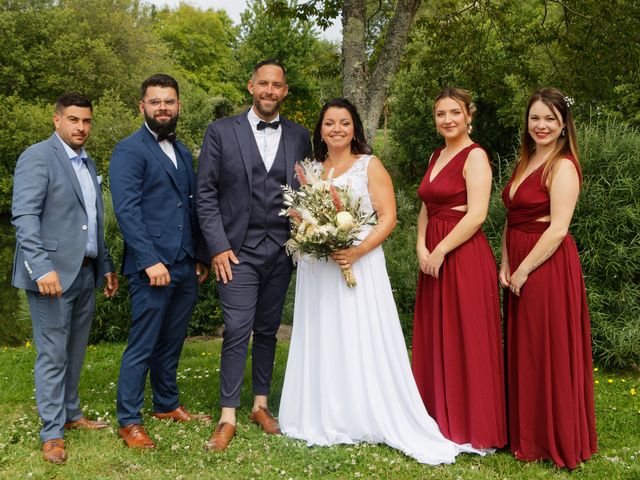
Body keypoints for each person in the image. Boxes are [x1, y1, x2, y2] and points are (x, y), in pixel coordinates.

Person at [278, 98, 481, 464]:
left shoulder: (369, 166)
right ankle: (322, 412)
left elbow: (388, 218)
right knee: (322, 334)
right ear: (320, 130)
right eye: (328, 123)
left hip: (360, 263)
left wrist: (355, 251)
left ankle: (362, 412)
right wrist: (310, 235)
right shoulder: (311, 169)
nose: (336, 129)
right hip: (319, 268)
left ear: (355, 128)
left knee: (358, 334)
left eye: (343, 123)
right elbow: (299, 215)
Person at [196, 59, 312, 451]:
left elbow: (307, 192)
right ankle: (227, 414)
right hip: (236, 252)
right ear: (250, 86)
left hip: (282, 250)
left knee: (267, 329)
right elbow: (206, 193)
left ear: (285, 91)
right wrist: (218, 246)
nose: (269, 91)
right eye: (263, 83)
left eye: (276, 85)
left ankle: (260, 404)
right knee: (237, 328)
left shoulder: (300, 137)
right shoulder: (221, 131)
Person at [11, 92, 119, 464]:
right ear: (57, 120)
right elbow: (24, 217)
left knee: (74, 350)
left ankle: (71, 415)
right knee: (53, 353)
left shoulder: (87, 163)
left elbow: (93, 222)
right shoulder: (38, 156)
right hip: (50, 276)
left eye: (87, 121)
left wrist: (104, 265)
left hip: (84, 272)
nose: (82, 127)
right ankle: (51, 432)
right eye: (74, 120)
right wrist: (41, 267)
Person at [110, 74, 210, 449]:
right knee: (143, 343)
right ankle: (129, 419)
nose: (163, 107)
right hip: (152, 266)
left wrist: (199, 254)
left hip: (184, 263)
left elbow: (192, 204)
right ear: (143, 107)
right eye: (155, 101)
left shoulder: (182, 150)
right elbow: (127, 210)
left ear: (178, 105)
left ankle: (166, 404)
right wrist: (150, 260)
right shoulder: (129, 150)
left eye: (169, 101)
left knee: (172, 340)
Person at [500, 88, 597, 469]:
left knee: (547, 348)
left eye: (549, 120)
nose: (541, 125)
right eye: (535, 118)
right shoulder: (527, 160)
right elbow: (512, 218)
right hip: (519, 259)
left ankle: (553, 436)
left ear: (562, 126)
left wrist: (524, 268)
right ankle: (527, 433)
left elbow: (558, 229)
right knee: (525, 349)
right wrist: (506, 263)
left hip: (547, 264)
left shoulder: (563, 165)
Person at [411, 88, 506, 449]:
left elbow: (477, 215)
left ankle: (473, 423)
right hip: (432, 255)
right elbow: (426, 206)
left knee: (466, 336)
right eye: (441, 114)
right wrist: (422, 246)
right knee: (437, 333)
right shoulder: (437, 154)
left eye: (455, 112)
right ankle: (437, 416)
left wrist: (440, 251)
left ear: (469, 116)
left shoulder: (475, 156)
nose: (448, 119)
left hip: (463, 256)